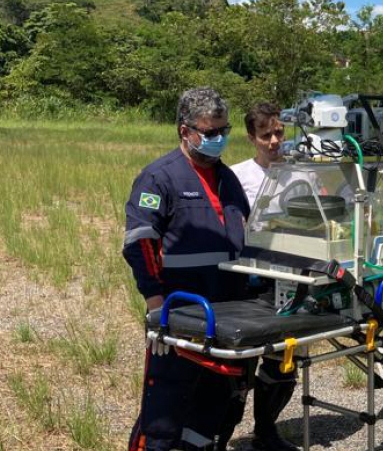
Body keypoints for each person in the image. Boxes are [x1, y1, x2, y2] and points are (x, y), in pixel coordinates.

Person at [124, 87, 251, 451]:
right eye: (210, 133)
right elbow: (140, 242)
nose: (219, 139)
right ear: (185, 131)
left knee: (215, 408)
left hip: (226, 315)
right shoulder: (159, 178)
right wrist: (156, 305)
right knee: (163, 413)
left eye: (224, 131)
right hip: (178, 315)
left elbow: (246, 231)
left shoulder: (228, 179)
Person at [230, 103, 299, 451]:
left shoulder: (299, 170)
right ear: (251, 138)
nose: (274, 141)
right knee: (242, 362)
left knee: (284, 358)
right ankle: (219, 433)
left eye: (279, 133)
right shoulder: (238, 175)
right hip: (252, 278)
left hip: (291, 274)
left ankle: (265, 430)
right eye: (266, 135)